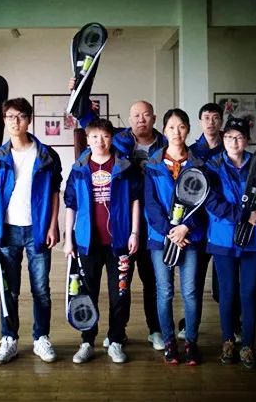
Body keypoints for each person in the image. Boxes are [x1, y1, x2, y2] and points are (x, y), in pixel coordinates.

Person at [70, 76, 166, 350]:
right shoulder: (119, 140)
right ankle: (114, 335)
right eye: (136, 115)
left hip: (154, 224)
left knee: (152, 281)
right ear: (129, 119)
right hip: (122, 224)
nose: (141, 119)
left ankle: (154, 330)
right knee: (119, 284)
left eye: (146, 115)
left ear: (154, 118)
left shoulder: (165, 144)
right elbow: (91, 124)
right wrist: (79, 91)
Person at [0, 98, 62, 365]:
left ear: (29, 119)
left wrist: (53, 224)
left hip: (37, 229)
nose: (15, 122)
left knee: (41, 289)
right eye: (10, 117)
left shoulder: (46, 155)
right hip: (7, 231)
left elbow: (54, 192)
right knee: (9, 290)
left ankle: (41, 338)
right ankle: (9, 339)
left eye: (20, 116)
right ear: (4, 121)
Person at [205, 117, 256, 370]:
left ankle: (247, 345)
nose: (233, 142)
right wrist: (243, 215)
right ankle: (228, 341)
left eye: (238, 137)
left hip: (253, 242)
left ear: (247, 140)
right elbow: (211, 202)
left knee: (248, 293)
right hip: (223, 241)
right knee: (227, 293)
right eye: (228, 137)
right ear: (222, 139)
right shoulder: (213, 166)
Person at [64, 118, 140, 364]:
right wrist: (69, 239)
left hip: (119, 242)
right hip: (87, 243)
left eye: (105, 136)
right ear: (87, 139)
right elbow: (71, 205)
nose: (100, 141)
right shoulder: (79, 169)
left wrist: (134, 233)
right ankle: (87, 341)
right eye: (95, 136)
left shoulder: (124, 167)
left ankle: (116, 340)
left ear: (111, 139)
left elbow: (135, 201)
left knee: (120, 294)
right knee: (87, 294)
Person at [144, 109, 207, 365]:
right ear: (164, 130)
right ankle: (169, 341)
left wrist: (185, 228)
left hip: (190, 237)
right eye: (171, 127)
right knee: (165, 291)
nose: (176, 132)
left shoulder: (199, 164)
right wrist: (170, 231)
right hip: (161, 238)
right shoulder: (153, 164)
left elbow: (203, 202)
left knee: (190, 292)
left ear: (188, 129)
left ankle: (191, 341)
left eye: (181, 126)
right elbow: (150, 204)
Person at [177, 103, 243, 341]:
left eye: (216, 117)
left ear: (221, 121)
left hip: (224, 225)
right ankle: (189, 324)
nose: (211, 122)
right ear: (200, 121)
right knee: (193, 282)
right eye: (206, 117)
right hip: (198, 226)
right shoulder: (192, 151)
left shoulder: (230, 150)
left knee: (226, 285)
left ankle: (234, 325)